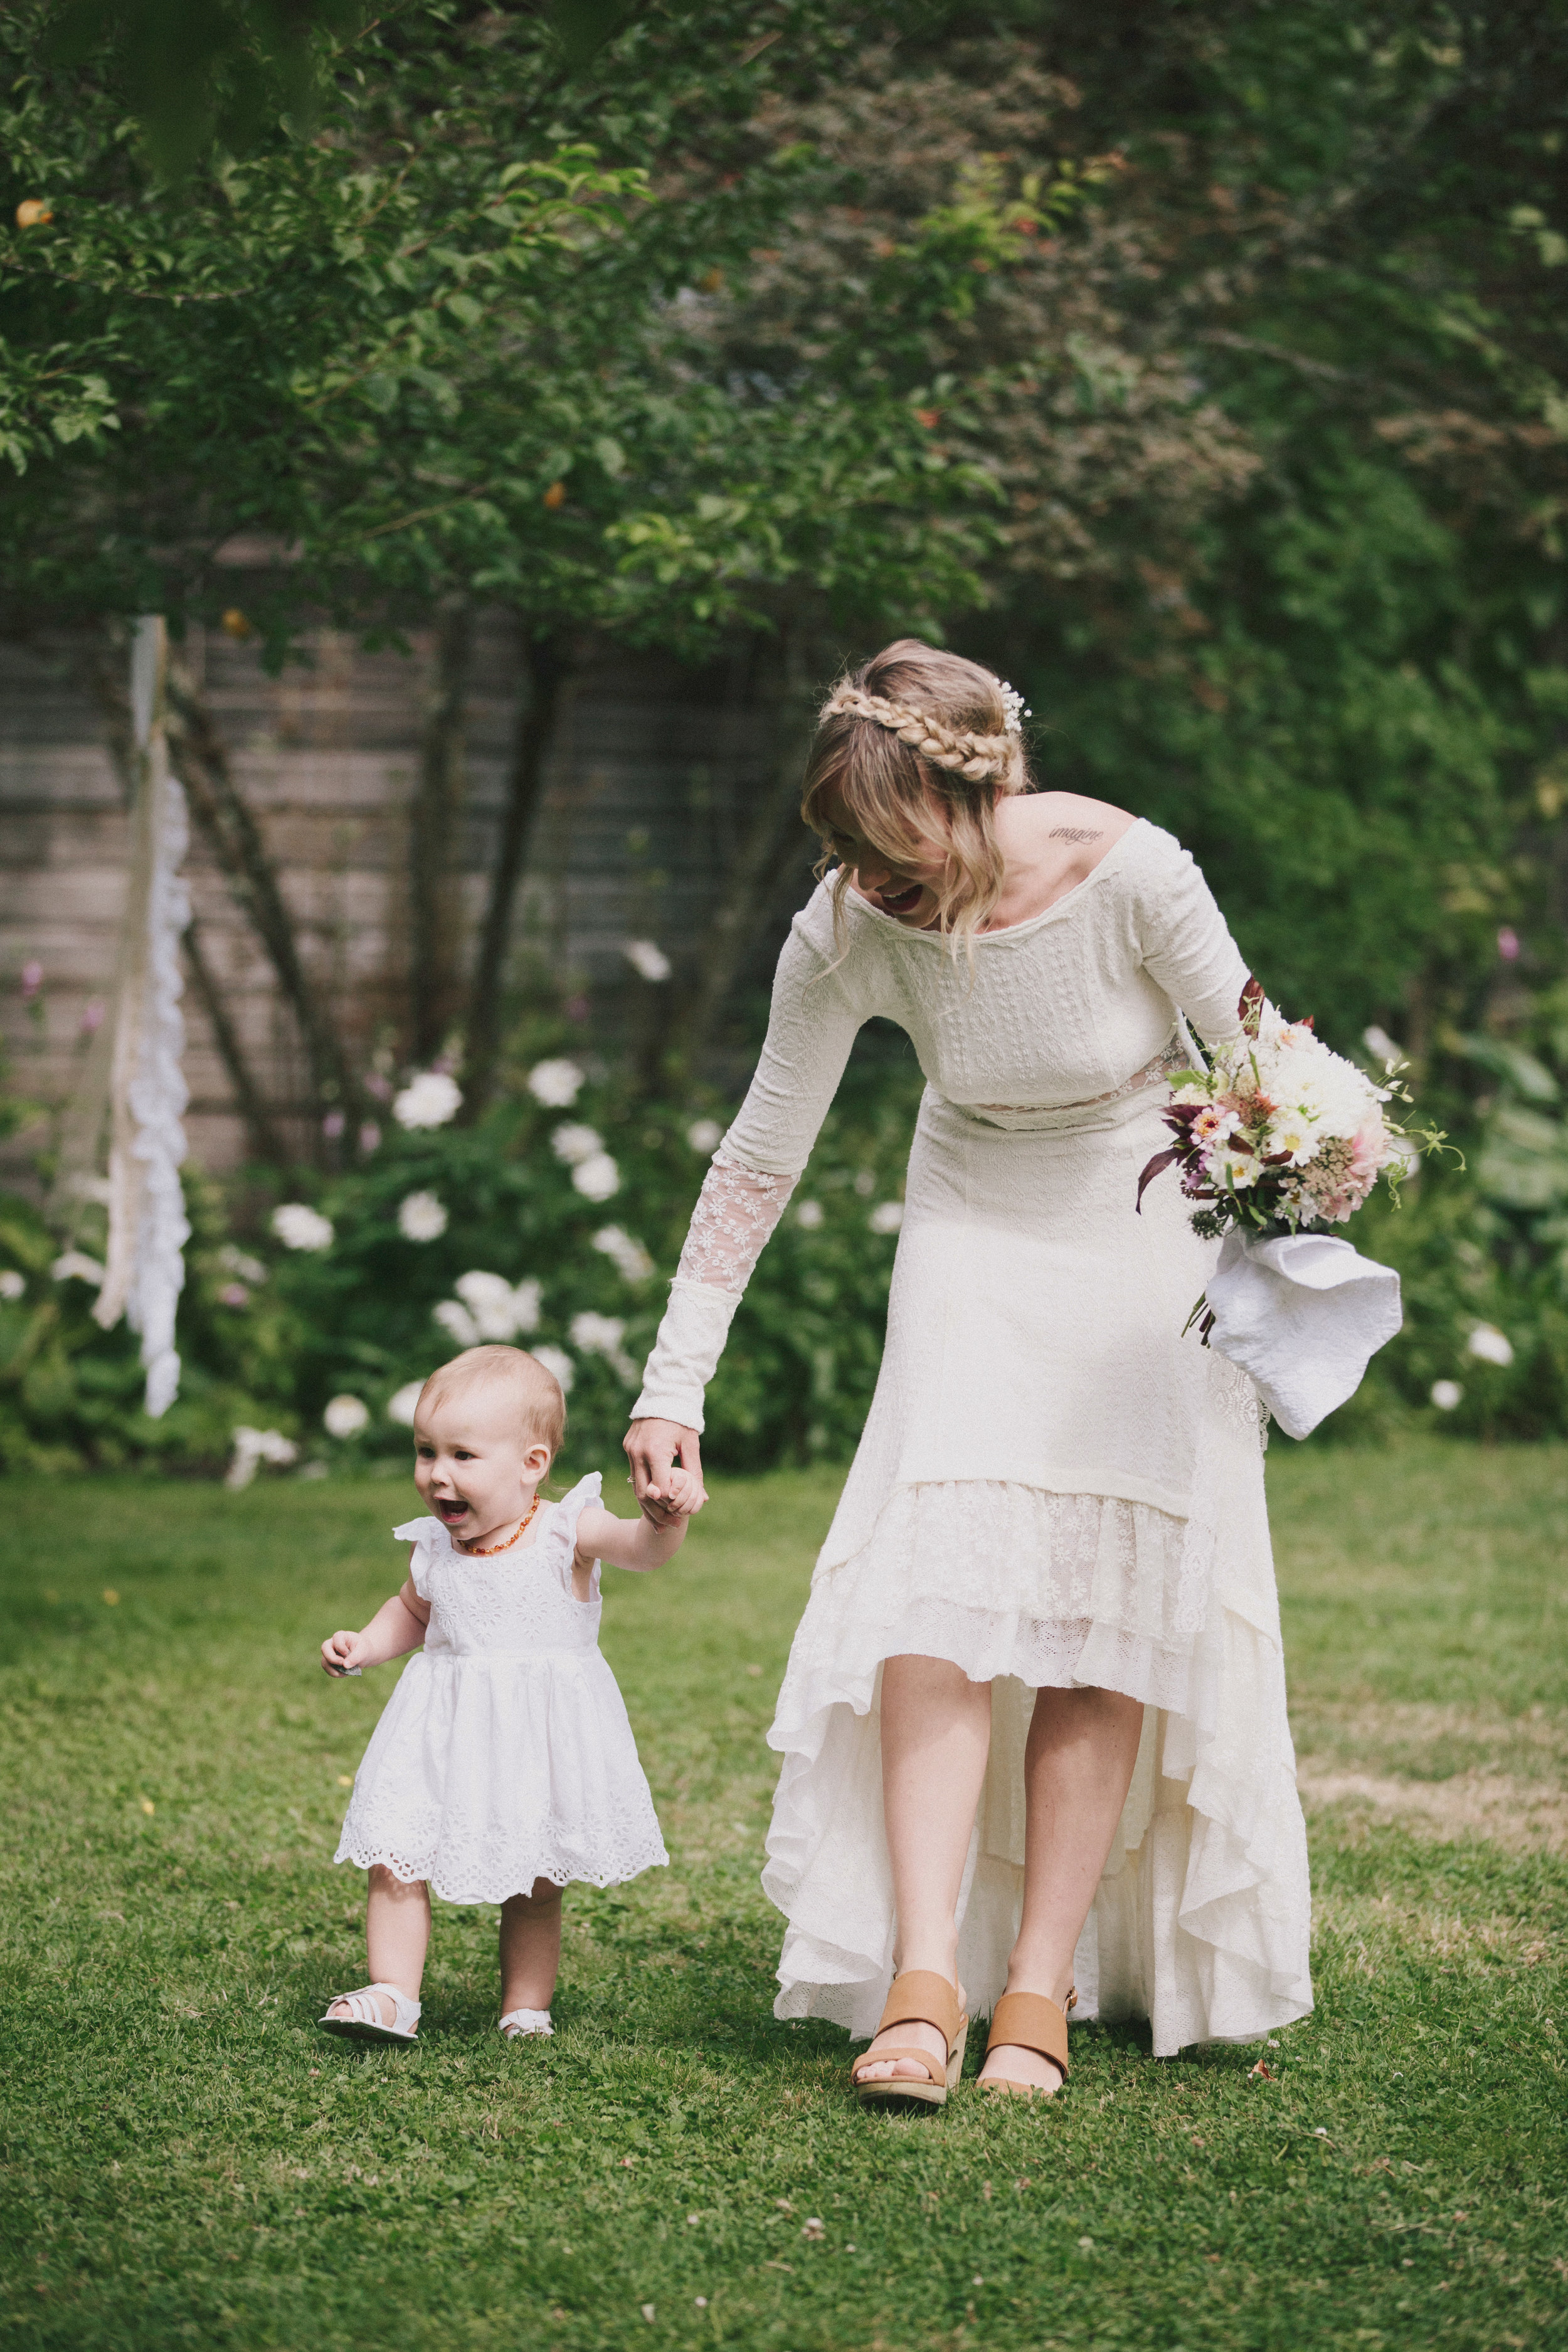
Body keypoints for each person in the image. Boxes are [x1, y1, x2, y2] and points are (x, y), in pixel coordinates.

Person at [625, 641, 1311, 2107]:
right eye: (846, 852)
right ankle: (923, 1977)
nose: (871, 879)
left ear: (984, 782)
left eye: (896, 847)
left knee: (1096, 1611)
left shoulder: (1134, 871)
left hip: (1138, 1230)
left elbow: (1264, 1058)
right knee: (929, 1596)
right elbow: (760, 1152)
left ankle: (1038, 1984)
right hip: (967, 1228)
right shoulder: (847, 922)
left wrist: (1311, 1149)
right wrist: (670, 1381)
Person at [319, 1343, 699, 2046]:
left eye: (462, 1456)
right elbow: (414, 1609)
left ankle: (526, 2007)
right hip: (440, 1728)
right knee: (395, 1852)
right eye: (426, 1452)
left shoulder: (564, 1529)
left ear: (532, 1465)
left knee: (536, 1881)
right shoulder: (435, 1545)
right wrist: (366, 1646)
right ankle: (392, 1993)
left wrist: (663, 1518)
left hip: (536, 1737)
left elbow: (640, 1550)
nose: (437, 1476)